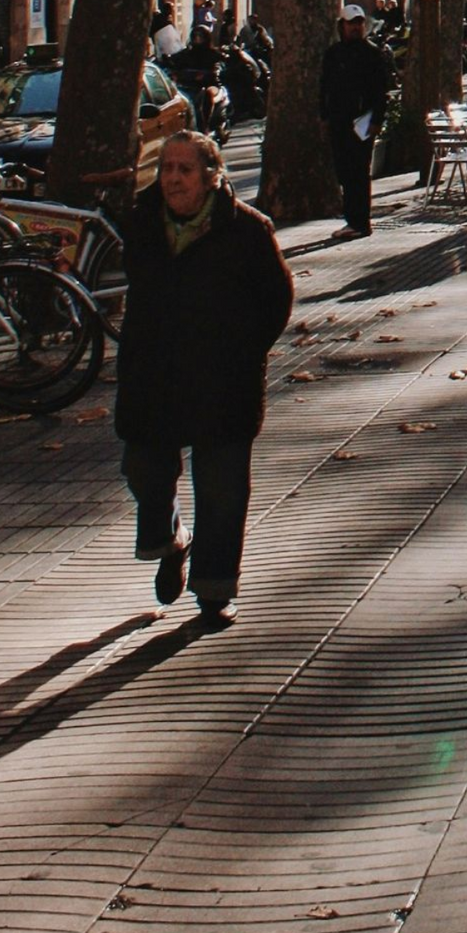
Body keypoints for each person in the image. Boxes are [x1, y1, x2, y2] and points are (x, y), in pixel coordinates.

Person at [116, 130, 294, 624]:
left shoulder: (248, 230)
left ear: (213, 177)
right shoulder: (142, 223)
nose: (172, 179)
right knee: (144, 472)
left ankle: (215, 590)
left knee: (222, 489)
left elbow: (277, 299)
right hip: (154, 377)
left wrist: (241, 350)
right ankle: (172, 541)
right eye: (166, 168)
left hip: (223, 382)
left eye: (185, 170)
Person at [317, 4, 393, 240]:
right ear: (342, 26)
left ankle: (360, 221)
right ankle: (352, 219)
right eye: (351, 23)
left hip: (362, 123)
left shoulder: (372, 54)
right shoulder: (333, 54)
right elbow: (324, 87)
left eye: (359, 23)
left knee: (359, 172)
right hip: (339, 122)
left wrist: (377, 120)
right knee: (345, 172)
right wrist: (324, 116)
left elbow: (381, 91)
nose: (356, 27)